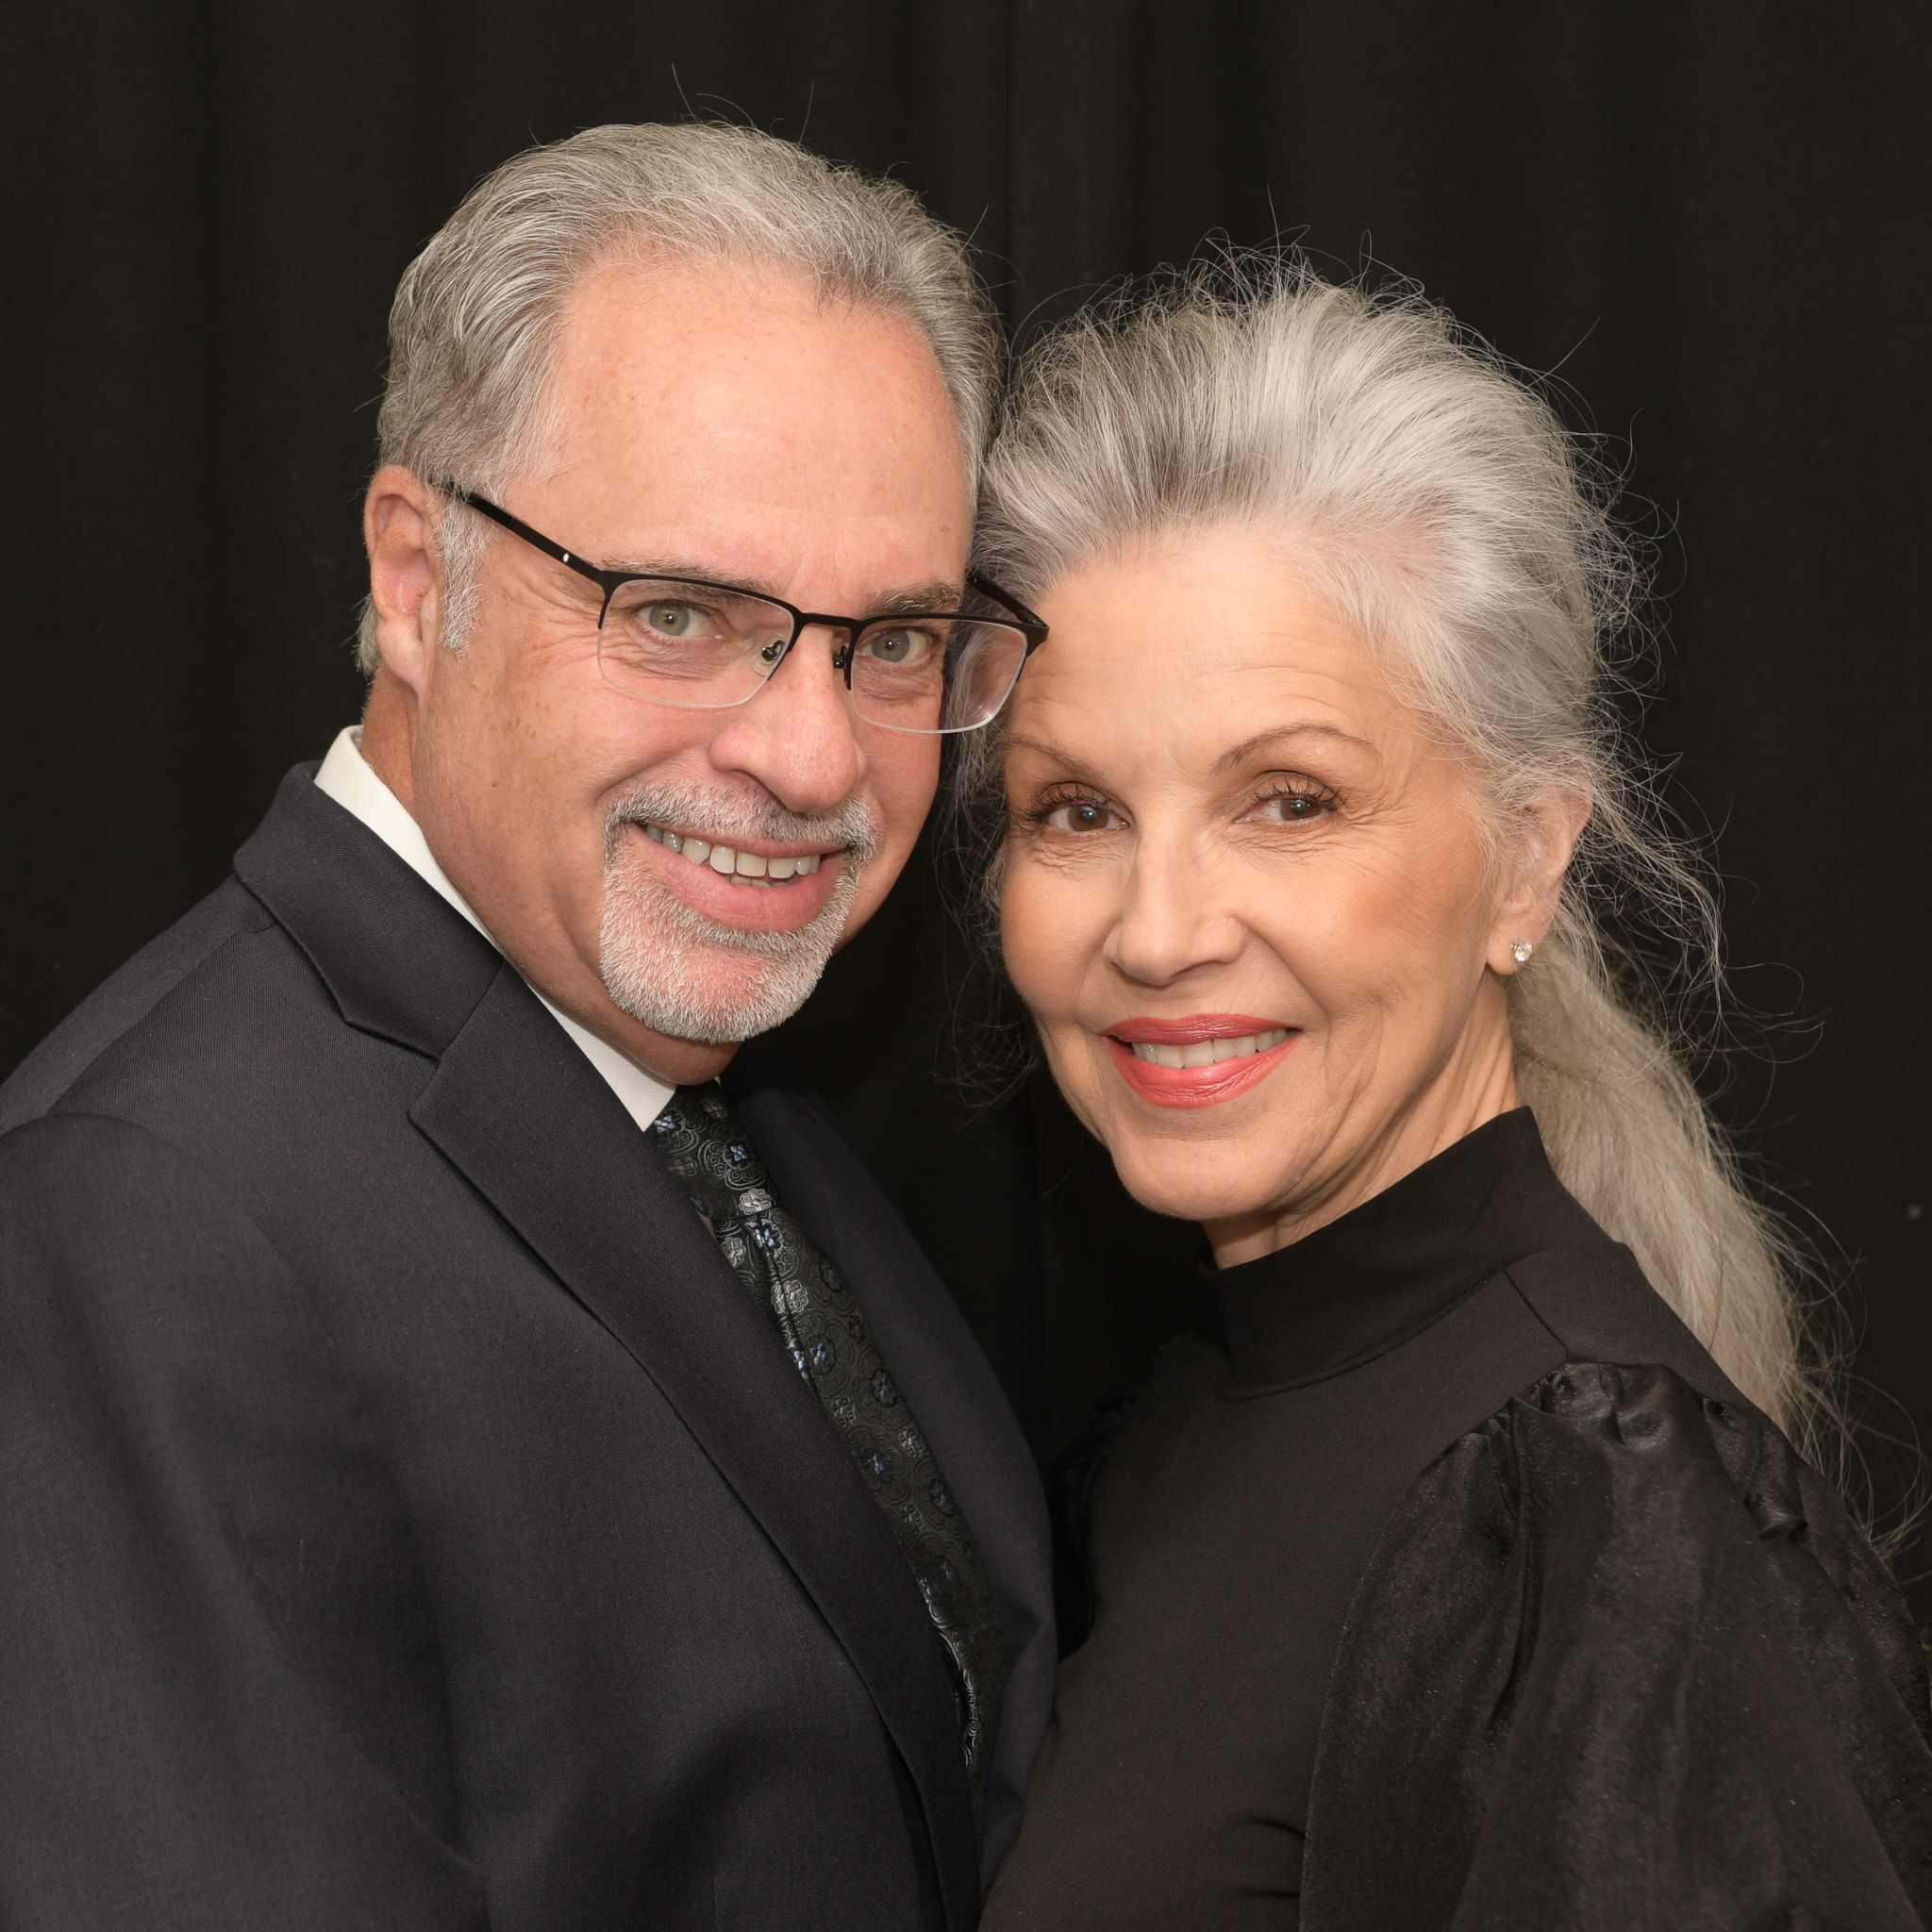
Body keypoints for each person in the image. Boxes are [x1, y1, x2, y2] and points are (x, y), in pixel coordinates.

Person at [0, 124, 1058, 1931]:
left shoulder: (704, 1077)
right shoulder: (144, 1216)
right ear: (419, 581)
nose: (814, 757)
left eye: (890, 641)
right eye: (682, 615)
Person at [956, 262, 1932, 1928]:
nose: (1159, 931)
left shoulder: (1591, 1515)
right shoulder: (1179, 1429)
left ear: (1528, 860)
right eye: (1076, 812)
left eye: (1290, 800)